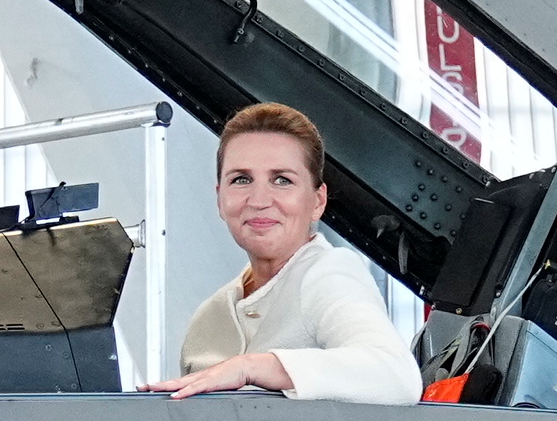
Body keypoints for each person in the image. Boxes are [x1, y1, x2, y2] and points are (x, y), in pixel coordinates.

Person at [159, 103, 411, 402]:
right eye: (241, 179)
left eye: (282, 180)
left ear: (318, 201)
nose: (259, 199)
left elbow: (395, 373)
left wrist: (252, 367)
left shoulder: (329, 273)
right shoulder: (208, 317)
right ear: (220, 199)